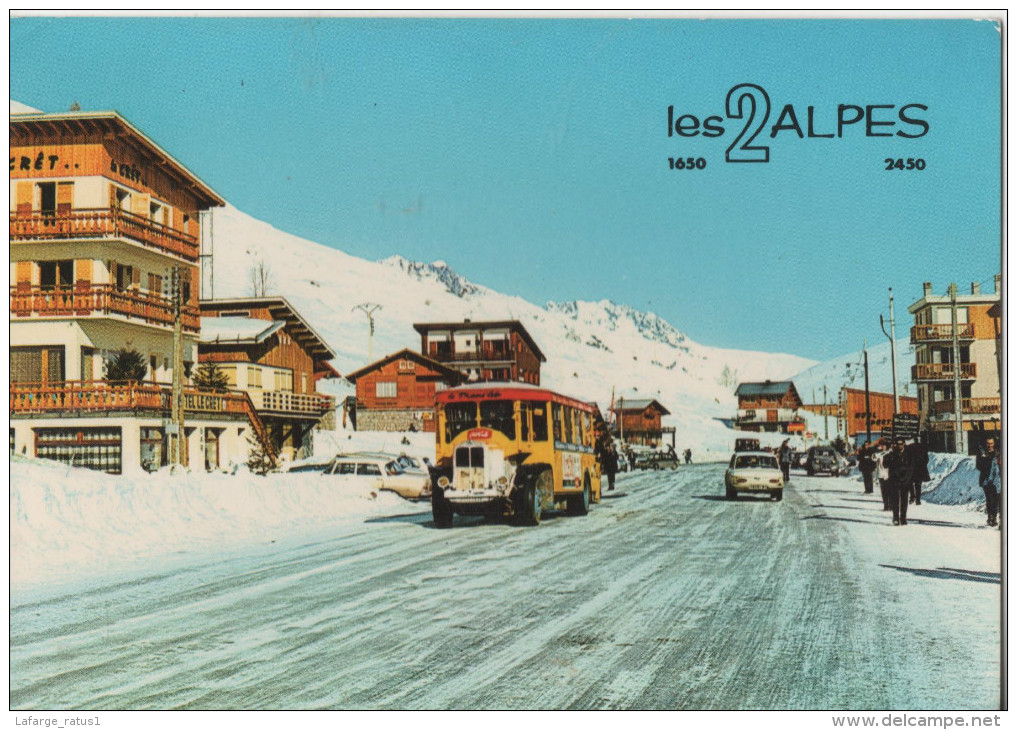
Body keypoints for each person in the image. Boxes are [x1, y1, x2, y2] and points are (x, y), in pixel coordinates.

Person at [883, 438, 913, 526]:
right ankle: (895, 518)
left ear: (904, 444)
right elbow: (885, 465)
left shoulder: (908, 455)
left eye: (901, 444)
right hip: (894, 480)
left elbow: (911, 468)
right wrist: (887, 456)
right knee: (895, 501)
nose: (899, 446)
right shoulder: (891, 454)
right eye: (897, 444)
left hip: (905, 480)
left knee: (904, 501)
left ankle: (903, 518)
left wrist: (908, 478)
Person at [976, 437, 1000, 527]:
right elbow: (978, 466)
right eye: (988, 443)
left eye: (991, 443)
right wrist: (987, 463)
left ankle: (994, 517)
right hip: (986, 479)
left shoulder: (998, 453)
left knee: (996, 499)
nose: (990, 445)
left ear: (994, 443)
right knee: (989, 499)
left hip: (996, 479)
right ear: (985, 444)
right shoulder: (982, 453)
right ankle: (990, 517)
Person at [906, 435, 930, 505]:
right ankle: (918, 500)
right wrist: (923, 465)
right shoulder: (924, 447)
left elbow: (907, 457)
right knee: (918, 485)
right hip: (920, 469)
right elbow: (926, 459)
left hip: (912, 468)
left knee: (910, 483)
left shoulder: (909, 447)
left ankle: (912, 496)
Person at [874, 440, 891, 511]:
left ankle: (891, 505)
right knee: (884, 491)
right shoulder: (879, 454)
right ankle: (886, 505)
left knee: (890, 491)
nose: (883, 447)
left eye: (884, 445)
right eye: (882, 446)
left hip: (889, 474)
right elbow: (873, 458)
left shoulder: (890, 453)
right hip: (881, 474)